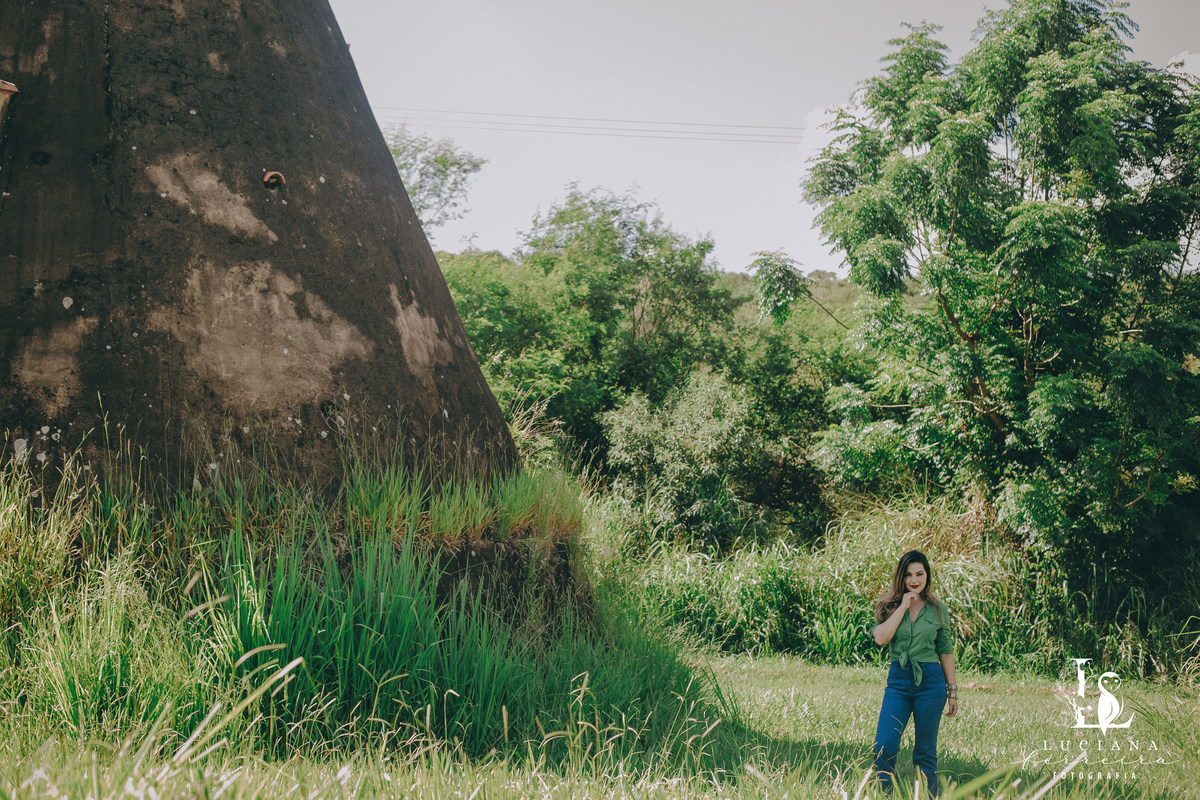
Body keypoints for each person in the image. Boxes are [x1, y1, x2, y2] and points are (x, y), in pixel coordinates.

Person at [871, 550, 958, 796]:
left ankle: (927, 796)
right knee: (884, 746)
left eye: (920, 574)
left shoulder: (938, 609)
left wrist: (952, 691)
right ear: (902, 577)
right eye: (909, 575)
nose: (914, 580)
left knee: (925, 752)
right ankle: (885, 794)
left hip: (931, 682)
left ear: (927, 576)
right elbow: (880, 638)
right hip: (898, 681)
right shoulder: (889, 604)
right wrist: (904, 605)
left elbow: (946, 651)